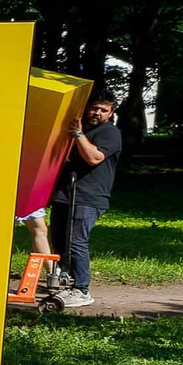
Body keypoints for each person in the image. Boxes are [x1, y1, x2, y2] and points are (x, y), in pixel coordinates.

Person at [52, 91, 122, 308]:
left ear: (111, 113)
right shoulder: (82, 129)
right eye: (94, 108)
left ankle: (81, 289)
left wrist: (80, 136)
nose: (97, 113)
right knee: (60, 241)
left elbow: (93, 158)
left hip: (89, 197)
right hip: (66, 194)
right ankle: (68, 281)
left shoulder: (109, 133)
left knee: (76, 242)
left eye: (103, 110)